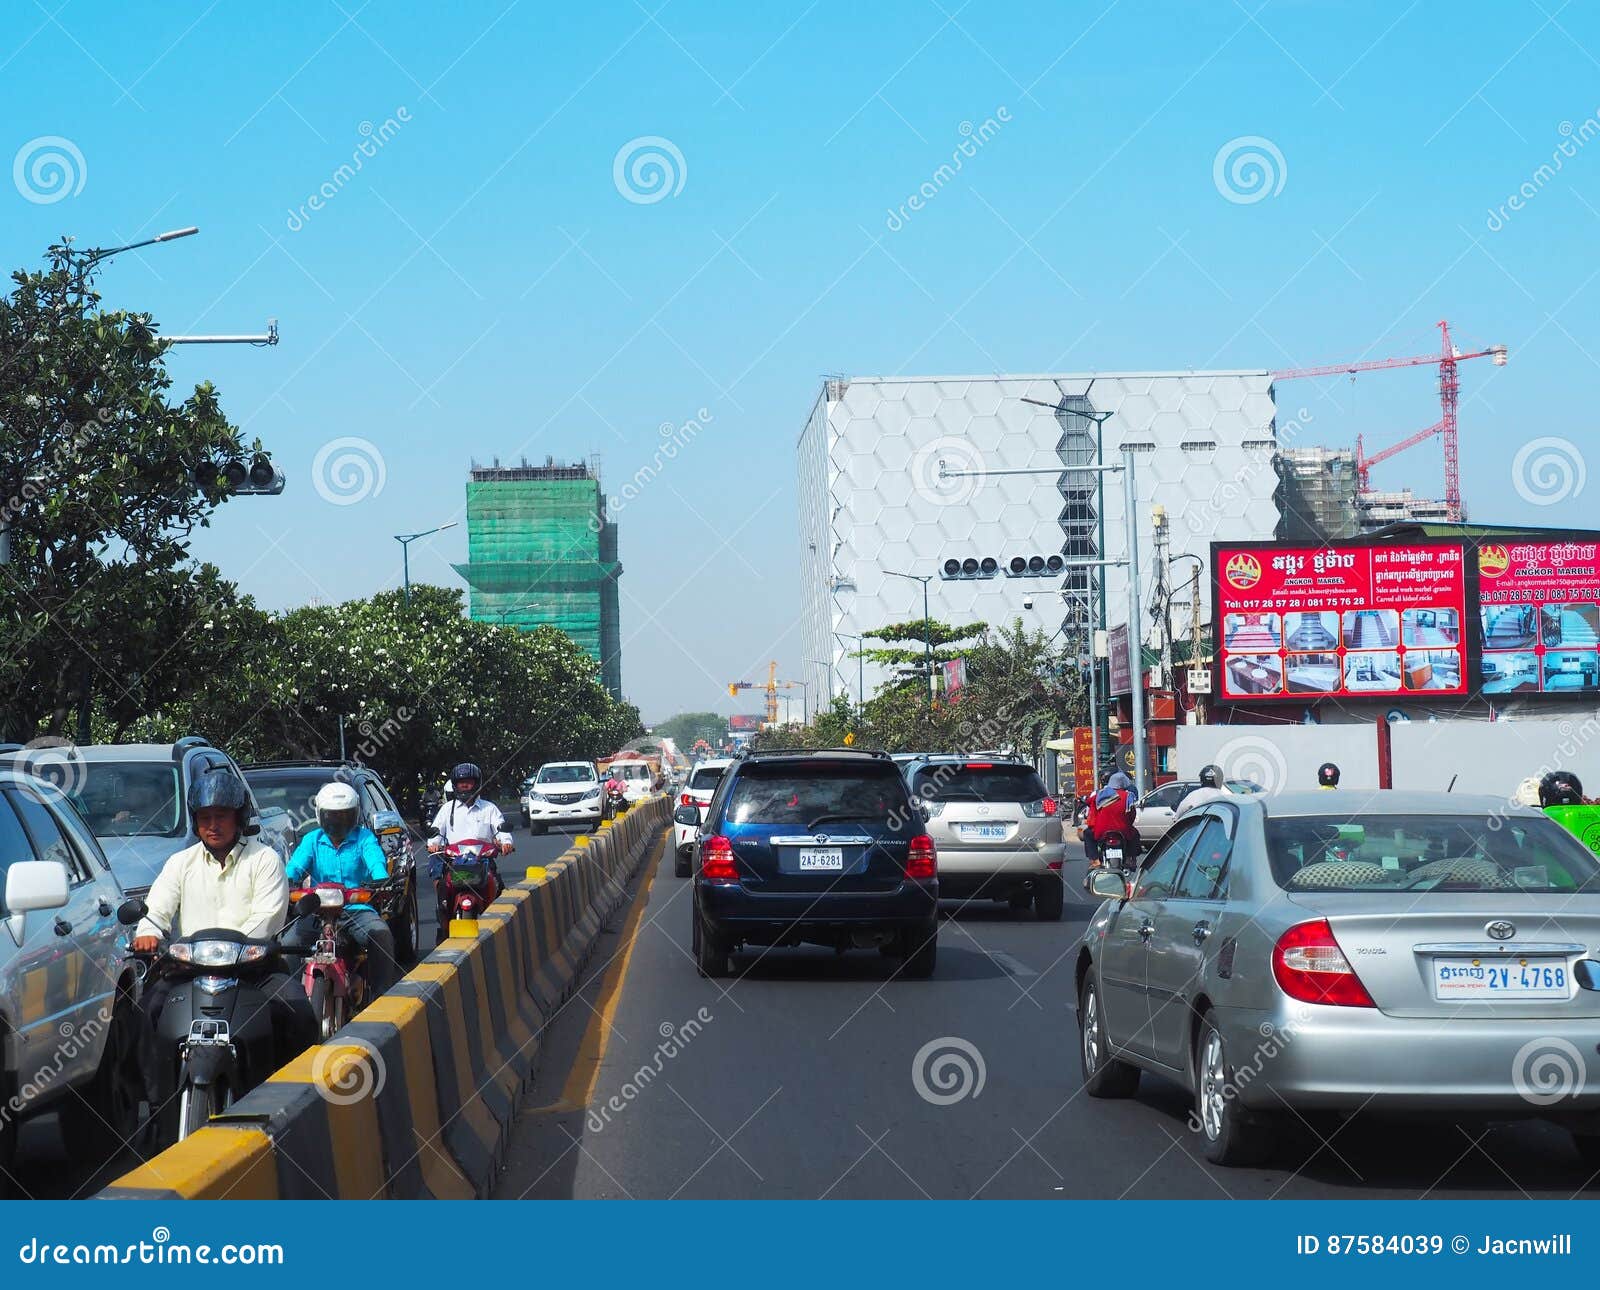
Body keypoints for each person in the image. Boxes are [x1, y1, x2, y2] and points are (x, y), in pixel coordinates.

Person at [132, 769, 319, 1102]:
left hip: (255, 967)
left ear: (239, 817)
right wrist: (147, 931)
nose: (213, 825)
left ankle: (296, 1100)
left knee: (299, 1014)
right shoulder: (180, 863)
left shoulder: (264, 859)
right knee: (146, 1012)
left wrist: (239, 952)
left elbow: (269, 916)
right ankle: (154, 1107)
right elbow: (157, 907)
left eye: (221, 816)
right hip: (189, 968)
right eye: (205, 818)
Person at [286, 781, 399, 1000]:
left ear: (354, 815)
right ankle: (289, 1001)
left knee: (382, 935)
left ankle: (380, 997)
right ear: (321, 816)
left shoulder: (364, 838)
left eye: (344, 816)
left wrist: (381, 880)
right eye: (332, 816)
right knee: (288, 943)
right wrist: (287, 880)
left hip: (356, 909)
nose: (338, 822)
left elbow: (376, 864)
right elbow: (294, 868)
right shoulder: (312, 840)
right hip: (317, 910)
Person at [428, 762, 514, 920]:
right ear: (455, 786)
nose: (465, 786)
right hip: (454, 862)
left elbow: (501, 828)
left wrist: (506, 842)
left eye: (469, 782)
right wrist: (434, 844)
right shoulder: (447, 809)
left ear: (477, 784)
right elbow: (436, 832)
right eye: (461, 783)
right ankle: (444, 920)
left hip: (483, 862)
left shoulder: (489, 808)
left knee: (500, 893)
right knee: (442, 887)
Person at [1086, 770, 1139, 866]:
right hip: (1124, 830)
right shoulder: (1128, 796)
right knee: (1135, 835)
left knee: (1087, 834)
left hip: (1101, 831)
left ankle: (1095, 860)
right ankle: (1130, 859)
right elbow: (1132, 815)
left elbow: (1090, 805)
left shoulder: (1100, 794)